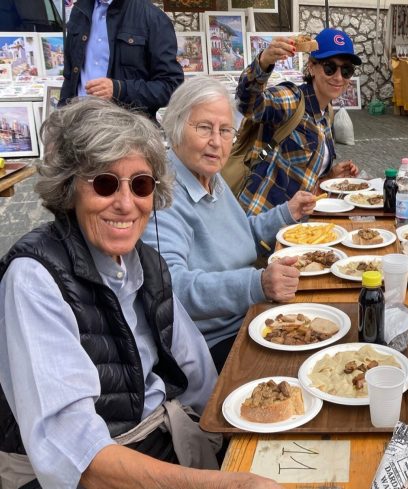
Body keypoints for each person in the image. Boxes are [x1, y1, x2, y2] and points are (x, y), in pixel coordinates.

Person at [0, 98, 281, 489]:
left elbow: (199, 374)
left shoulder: (144, 261)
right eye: (104, 183)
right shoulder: (35, 278)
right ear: (69, 188)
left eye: (141, 184)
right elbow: (76, 455)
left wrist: (260, 423)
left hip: (158, 437)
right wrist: (223, 483)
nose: (126, 203)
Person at [142, 77, 316, 372]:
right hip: (213, 343)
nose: (216, 142)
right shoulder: (163, 196)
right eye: (204, 128)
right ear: (174, 128)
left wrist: (286, 213)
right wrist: (257, 283)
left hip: (251, 315)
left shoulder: (209, 176)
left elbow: (238, 234)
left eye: (225, 131)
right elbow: (173, 289)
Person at [236, 28, 360, 216]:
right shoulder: (292, 98)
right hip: (261, 221)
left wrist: (331, 176)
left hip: (294, 226)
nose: (338, 77)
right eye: (330, 68)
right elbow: (248, 104)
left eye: (347, 70)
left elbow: (304, 180)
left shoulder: (327, 113)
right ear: (312, 67)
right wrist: (264, 62)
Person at [59, 0, 183, 119]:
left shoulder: (152, 17)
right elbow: (70, 77)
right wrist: (60, 121)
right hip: (78, 126)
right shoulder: (79, 10)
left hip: (126, 132)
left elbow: (170, 86)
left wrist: (119, 90)